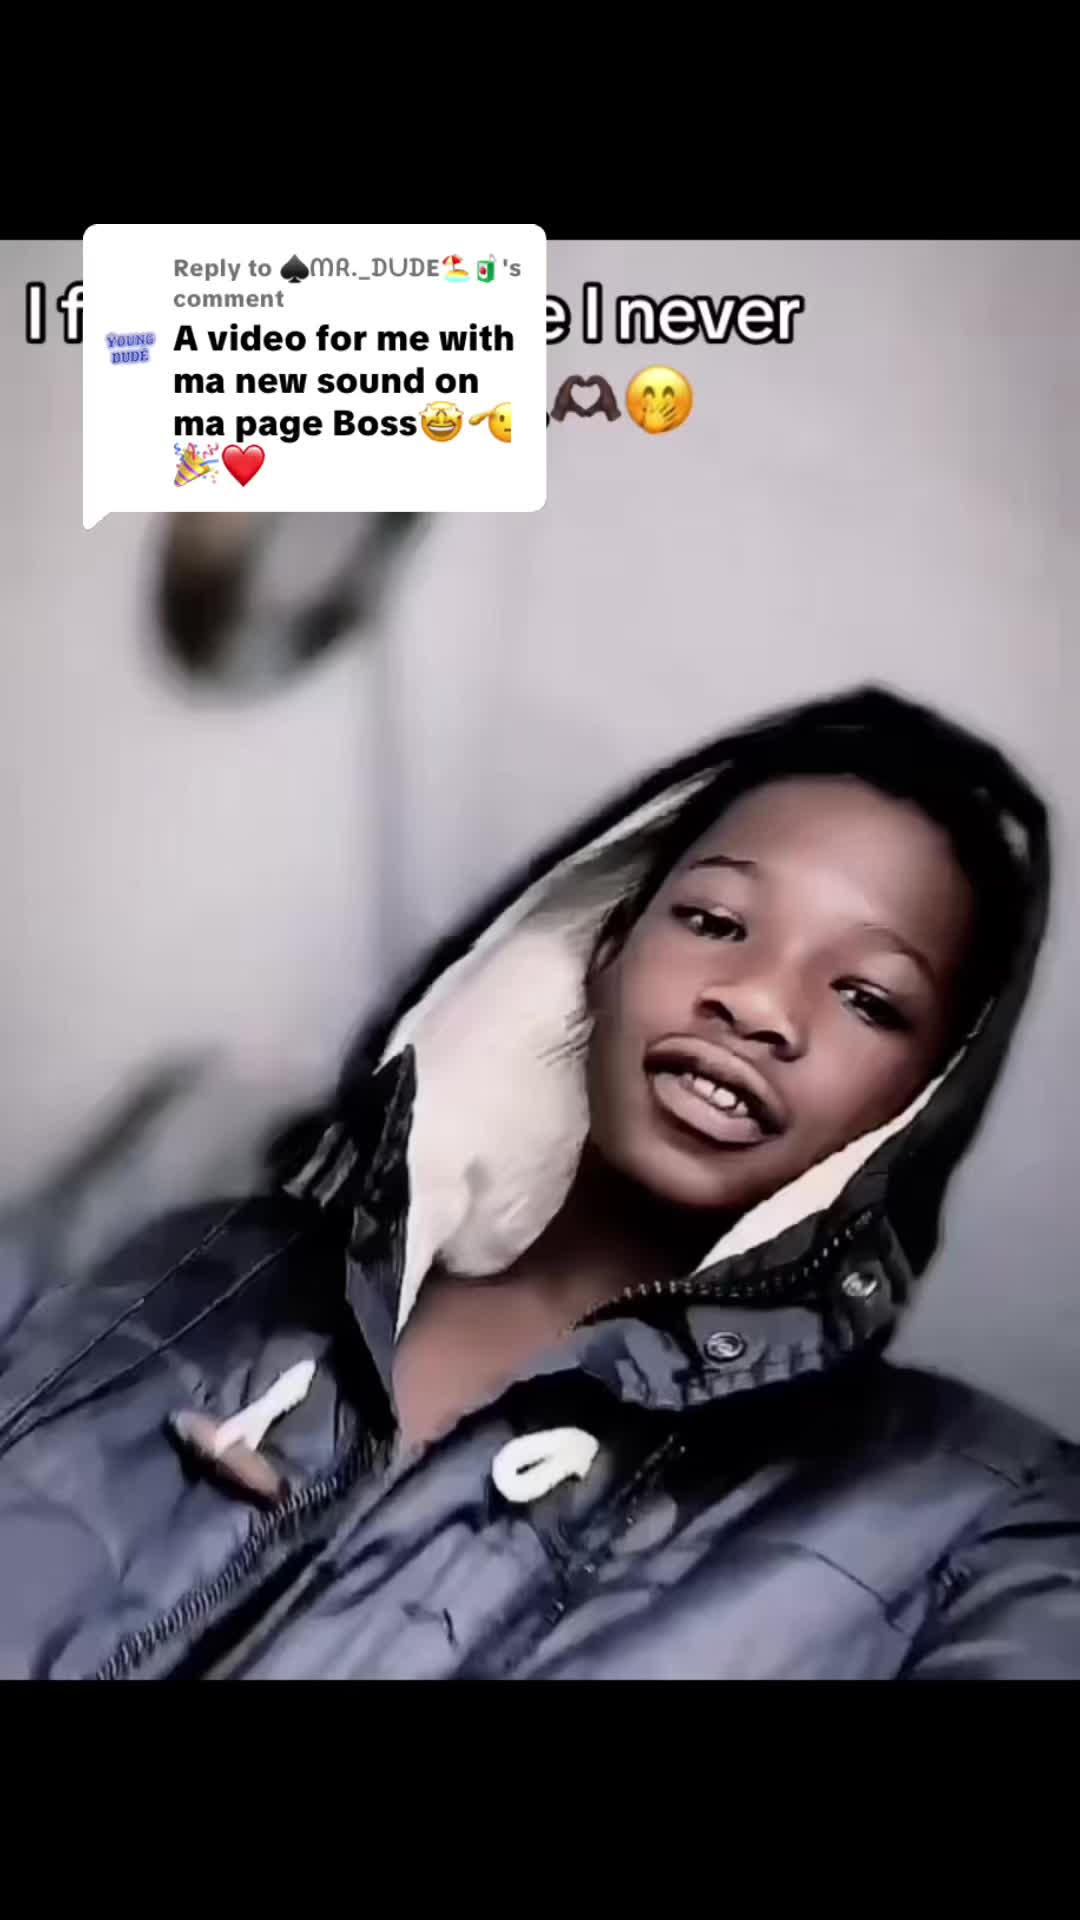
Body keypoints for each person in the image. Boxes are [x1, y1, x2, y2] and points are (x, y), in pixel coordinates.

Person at [0, 684, 1076, 1679]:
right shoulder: (188, 1264)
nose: (756, 1003)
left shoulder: (987, 1522)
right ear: (604, 947)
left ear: (926, 1100)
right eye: (714, 922)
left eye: (868, 998)